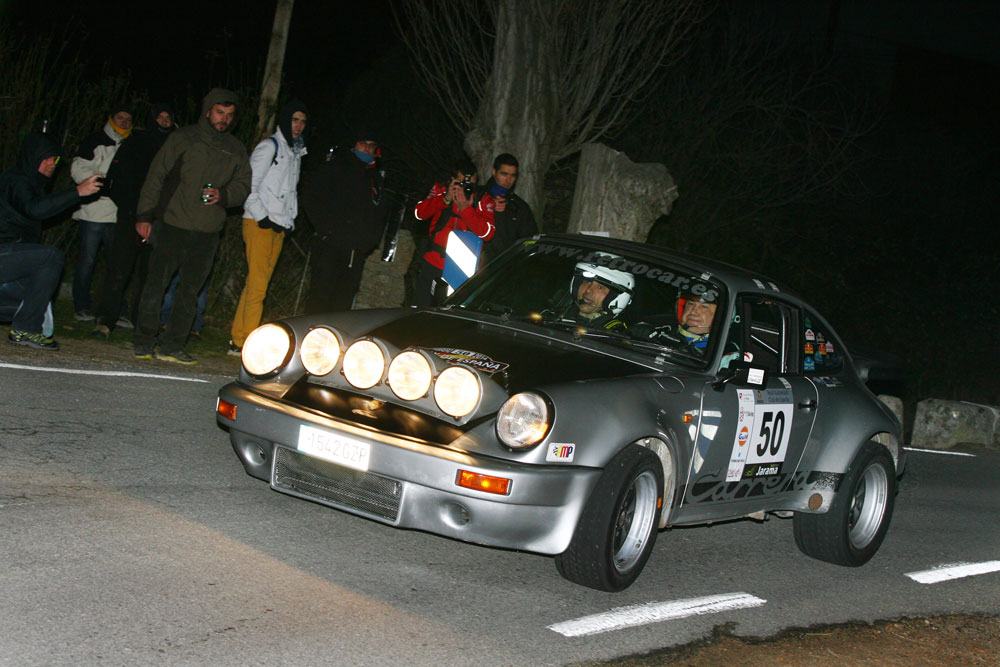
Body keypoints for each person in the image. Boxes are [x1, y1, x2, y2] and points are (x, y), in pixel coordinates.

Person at [132, 88, 251, 365]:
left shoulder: (235, 148)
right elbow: (156, 176)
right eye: (220, 113)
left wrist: (225, 195)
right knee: (156, 285)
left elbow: (244, 184)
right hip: (173, 223)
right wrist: (144, 216)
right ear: (208, 111)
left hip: (209, 231)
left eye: (230, 115)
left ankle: (173, 345)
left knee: (190, 292)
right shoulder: (183, 138)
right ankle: (144, 340)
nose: (224, 119)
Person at [0, 131, 103, 349]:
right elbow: (35, 209)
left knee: (35, 298)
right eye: (45, 158)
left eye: (54, 159)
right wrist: (76, 192)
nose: (51, 164)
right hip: (3, 253)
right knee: (51, 257)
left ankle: (25, 326)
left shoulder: (33, 184)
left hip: (10, 260)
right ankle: (26, 329)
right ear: (32, 157)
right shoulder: (16, 180)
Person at [228, 99, 308, 356]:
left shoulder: (296, 152)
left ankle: (238, 339)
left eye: (302, 121)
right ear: (285, 120)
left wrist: (289, 220)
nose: (298, 126)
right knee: (259, 286)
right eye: (294, 119)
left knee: (256, 284)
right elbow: (248, 186)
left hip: (278, 225)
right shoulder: (269, 147)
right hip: (258, 222)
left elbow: (290, 191)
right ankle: (246, 343)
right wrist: (262, 216)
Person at [92, 103, 176, 338]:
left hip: (162, 221)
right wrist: (134, 212)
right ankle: (105, 319)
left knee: (150, 276)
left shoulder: (176, 146)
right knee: (119, 270)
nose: (164, 121)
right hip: (131, 216)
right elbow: (118, 179)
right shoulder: (136, 142)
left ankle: (142, 324)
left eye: (168, 117)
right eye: (159, 116)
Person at [300, 127, 388, 314]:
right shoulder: (335, 168)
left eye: (371, 146)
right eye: (363, 144)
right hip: (330, 246)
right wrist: (326, 230)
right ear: (353, 145)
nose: (367, 149)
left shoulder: (374, 178)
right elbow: (311, 198)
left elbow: (379, 211)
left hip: (356, 251)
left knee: (343, 303)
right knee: (320, 298)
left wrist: (371, 240)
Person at [70, 104, 132, 321]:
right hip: (93, 210)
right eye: (120, 117)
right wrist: (103, 180)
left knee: (117, 263)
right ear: (111, 118)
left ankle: (115, 309)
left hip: (118, 213)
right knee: (87, 261)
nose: (124, 122)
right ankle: (81, 305)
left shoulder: (132, 143)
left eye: (128, 119)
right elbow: (78, 169)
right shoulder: (96, 140)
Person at [409, 158, 495, 307]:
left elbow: (487, 233)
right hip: (433, 262)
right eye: (462, 183)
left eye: (471, 185)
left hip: (463, 268)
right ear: (452, 180)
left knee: (449, 314)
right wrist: (445, 198)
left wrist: (466, 209)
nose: (466, 188)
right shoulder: (441, 190)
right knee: (420, 309)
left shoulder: (483, 199)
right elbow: (419, 213)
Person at [482, 153, 536, 263]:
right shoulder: (478, 196)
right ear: (494, 172)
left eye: (512, 175)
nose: (508, 180)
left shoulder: (520, 207)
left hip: (503, 266)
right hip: (474, 263)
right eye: (504, 174)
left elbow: (528, 240)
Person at [564, 259, 633, 331]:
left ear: (614, 298)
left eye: (600, 287)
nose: (588, 290)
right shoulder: (557, 316)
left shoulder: (614, 336)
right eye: (586, 282)